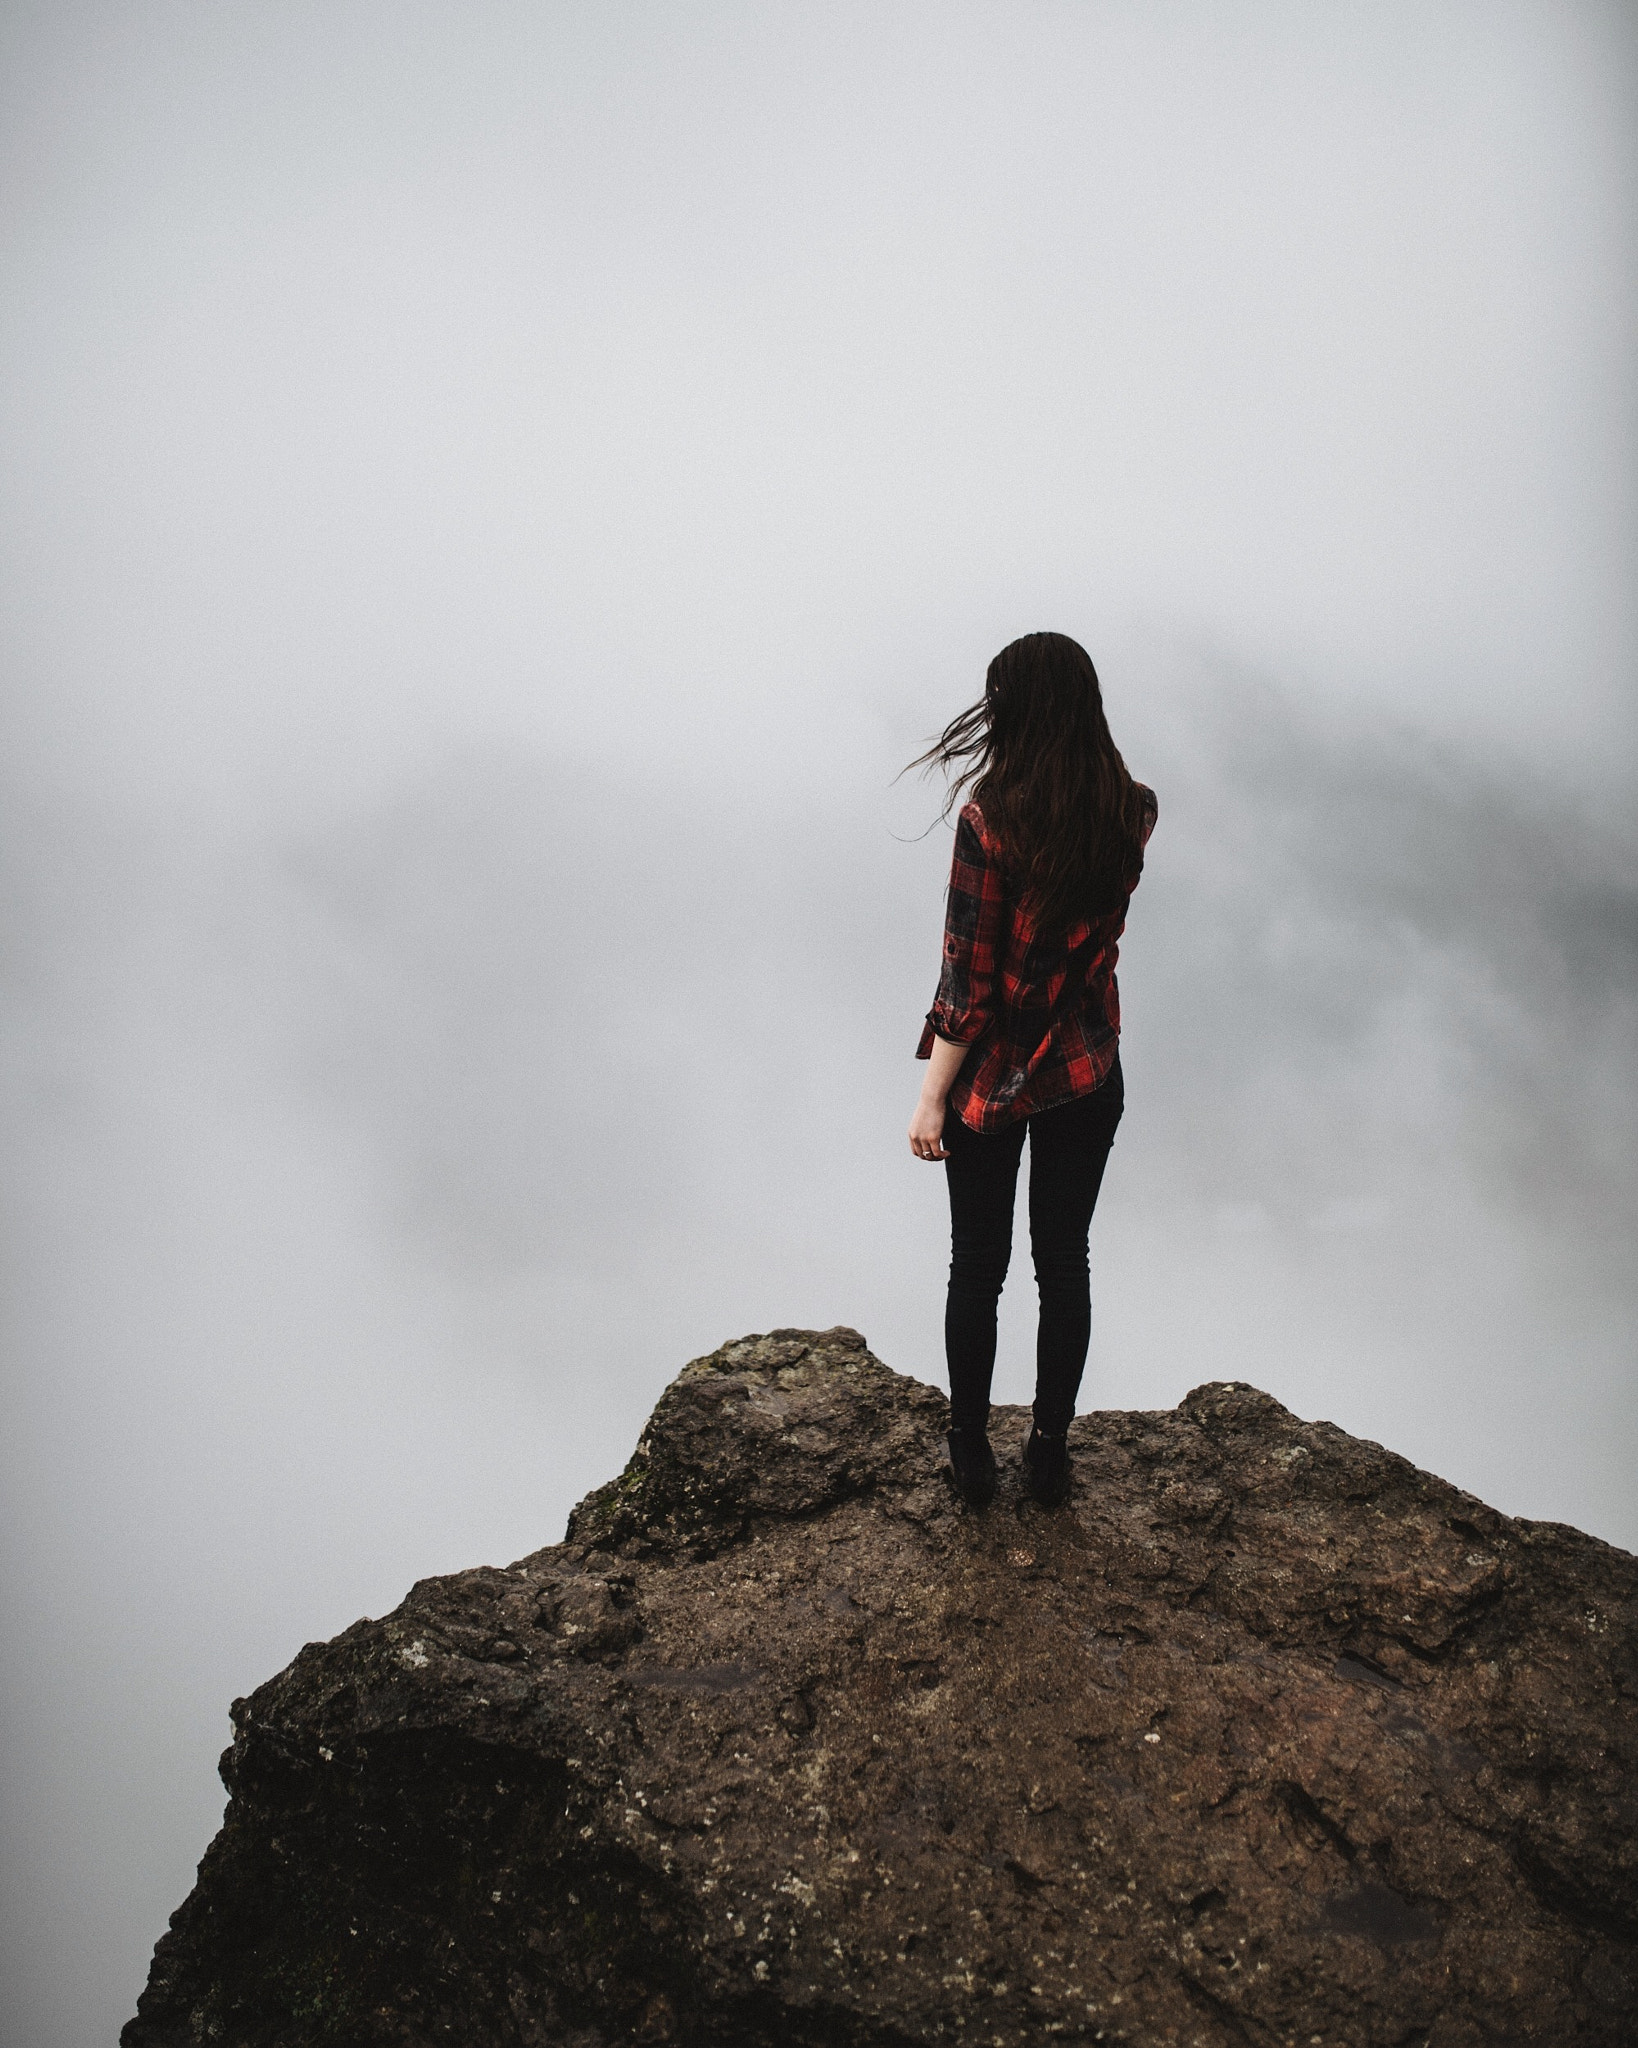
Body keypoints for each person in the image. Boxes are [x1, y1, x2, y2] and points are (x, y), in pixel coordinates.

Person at [906, 632, 1157, 1508]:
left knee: (977, 1265)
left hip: (998, 1080)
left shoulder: (989, 822)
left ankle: (971, 1452)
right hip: (1087, 1071)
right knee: (1065, 1262)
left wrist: (933, 1096)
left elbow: (968, 983)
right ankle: (1048, 1451)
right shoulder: (1130, 810)